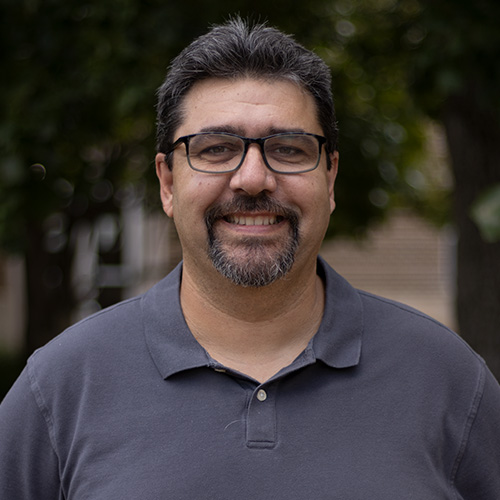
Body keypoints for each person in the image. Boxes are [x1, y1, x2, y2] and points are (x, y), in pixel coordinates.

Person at [1, 17, 499, 499]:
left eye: (288, 148)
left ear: (330, 179)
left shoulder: (447, 379)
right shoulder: (61, 388)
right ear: (168, 183)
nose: (253, 177)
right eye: (216, 148)